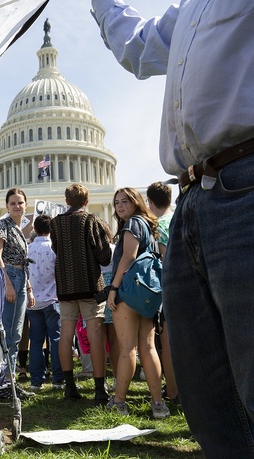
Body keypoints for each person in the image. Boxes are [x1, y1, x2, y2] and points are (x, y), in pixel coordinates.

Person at [91, 2, 254, 454]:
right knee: (207, 385)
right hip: (193, 192)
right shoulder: (188, 11)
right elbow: (137, 48)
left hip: (246, 177)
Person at [105, 188, 169, 419]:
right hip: (148, 292)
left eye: (125, 201)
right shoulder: (149, 225)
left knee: (128, 348)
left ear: (136, 202)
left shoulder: (132, 224)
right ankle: (158, 403)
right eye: (116, 202)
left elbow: (128, 257)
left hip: (129, 291)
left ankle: (119, 401)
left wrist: (113, 288)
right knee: (148, 347)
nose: (120, 206)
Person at [50, 184, 112, 402]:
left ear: (67, 201)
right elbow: (105, 257)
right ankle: (99, 388)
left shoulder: (55, 223)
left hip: (66, 287)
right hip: (89, 285)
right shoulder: (91, 221)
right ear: (86, 201)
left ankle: (70, 387)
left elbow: (57, 249)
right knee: (95, 334)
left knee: (66, 335)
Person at [0, 188, 35, 399]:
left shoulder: (20, 229)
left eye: (20, 202)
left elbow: (22, 261)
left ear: (26, 205)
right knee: (6, 332)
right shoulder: (3, 224)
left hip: (20, 278)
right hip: (8, 277)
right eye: (13, 203)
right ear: (7, 206)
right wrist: (7, 283)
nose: (17, 206)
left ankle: (10, 380)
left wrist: (28, 286)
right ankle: (1, 382)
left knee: (16, 334)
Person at [146, 181, 178, 405]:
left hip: (171, 289)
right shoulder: (179, 217)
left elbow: (166, 260)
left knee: (168, 342)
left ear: (150, 201)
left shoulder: (159, 226)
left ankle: (174, 391)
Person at [26, 215, 63, 391]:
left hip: (33, 300)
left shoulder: (28, 249)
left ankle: (36, 380)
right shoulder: (55, 249)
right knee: (56, 340)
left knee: (35, 341)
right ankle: (57, 379)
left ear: (35, 227)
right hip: (52, 298)